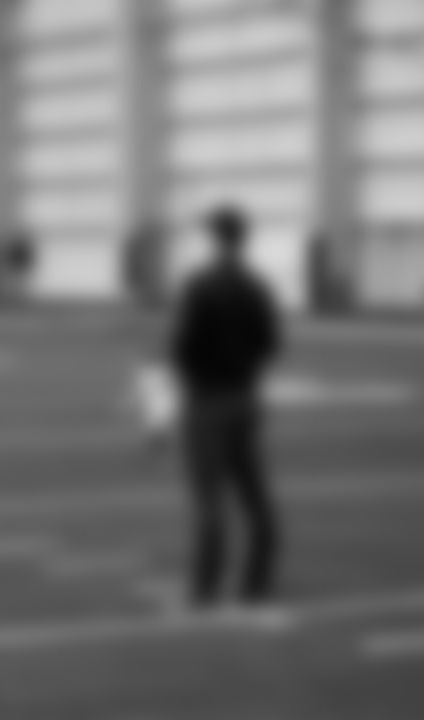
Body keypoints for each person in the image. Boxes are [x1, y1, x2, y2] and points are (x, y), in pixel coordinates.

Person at [168, 205, 286, 622]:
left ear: (214, 237)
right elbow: (272, 343)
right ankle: (257, 580)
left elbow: (182, 347)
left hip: (207, 400)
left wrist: (192, 380)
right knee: (254, 493)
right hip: (245, 396)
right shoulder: (258, 286)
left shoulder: (200, 285)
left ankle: (206, 587)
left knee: (210, 498)